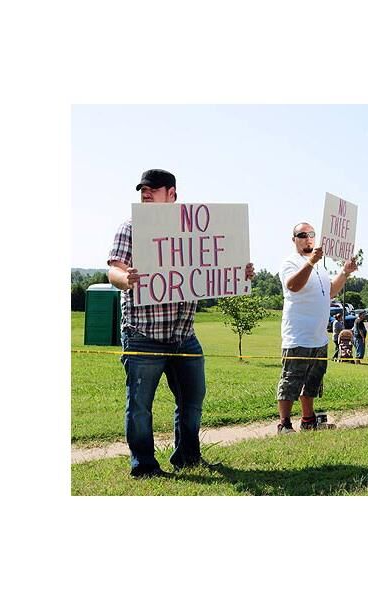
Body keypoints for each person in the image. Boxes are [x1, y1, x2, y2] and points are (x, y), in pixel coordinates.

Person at [107, 169, 255, 478]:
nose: (145, 194)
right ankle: (144, 466)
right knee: (140, 406)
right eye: (142, 190)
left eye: (153, 189)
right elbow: (114, 272)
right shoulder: (130, 228)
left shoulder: (196, 232)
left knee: (192, 399)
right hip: (143, 335)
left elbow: (216, 270)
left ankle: (187, 456)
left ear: (172, 193)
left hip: (184, 334)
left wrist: (240, 274)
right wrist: (127, 279)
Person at [276, 222, 358, 433]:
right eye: (302, 234)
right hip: (298, 335)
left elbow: (330, 291)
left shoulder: (320, 266)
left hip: (319, 336)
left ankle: (308, 420)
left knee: (312, 382)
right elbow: (293, 286)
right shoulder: (290, 262)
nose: (308, 238)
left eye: (311, 234)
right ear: (293, 239)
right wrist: (311, 261)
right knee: (290, 381)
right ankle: (284, 424)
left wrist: (345, 272)